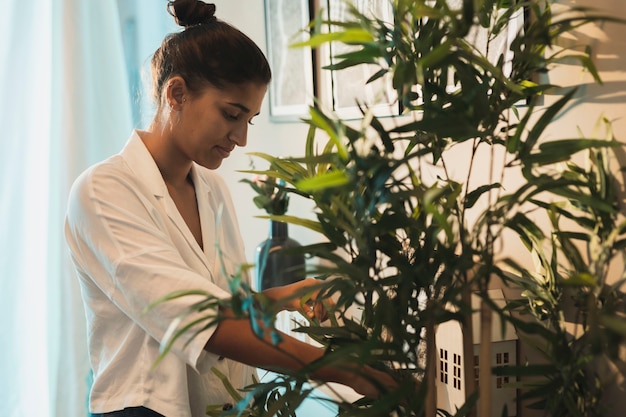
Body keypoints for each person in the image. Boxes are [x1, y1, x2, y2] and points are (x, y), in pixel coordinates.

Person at [64, 1, 398, 416]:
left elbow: (223, 307)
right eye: (231, 114)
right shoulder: (103, 192)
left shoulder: (212, 189)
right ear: (177, 93)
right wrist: (340, 369)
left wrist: (281, 298)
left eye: (250, 120)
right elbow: (198, 322)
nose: (240, 138)